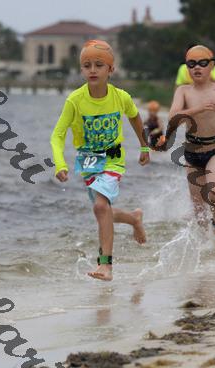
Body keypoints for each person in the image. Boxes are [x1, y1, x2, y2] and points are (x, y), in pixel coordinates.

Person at [50, 40, 150, 281]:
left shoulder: (121, 97)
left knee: (100, 207)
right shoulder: (75, 100)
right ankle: (133, 218)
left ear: (111, 69)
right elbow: (58, 135)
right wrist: (60, 163)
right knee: (103, 211)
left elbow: (135, 117)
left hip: (113, 158)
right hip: (88, 161)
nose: (92, 70)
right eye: (87, 66)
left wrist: (144, 145)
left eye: (99, 65)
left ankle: (105, 265)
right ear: (81, 69)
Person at [165, 45, 215, 230]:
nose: (197, 67)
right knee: (199, 209)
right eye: (191, 64)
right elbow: (172, 119)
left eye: (202, 63)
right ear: (187, 68)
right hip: (192, 153)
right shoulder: (183, 91)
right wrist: (198, 109)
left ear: (211, 65)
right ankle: (205, 243)